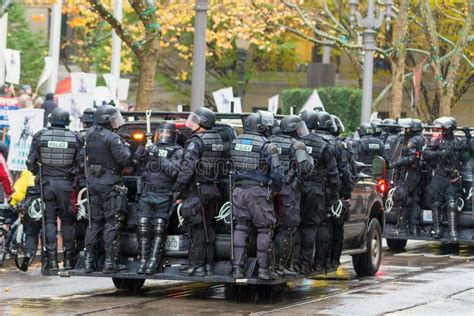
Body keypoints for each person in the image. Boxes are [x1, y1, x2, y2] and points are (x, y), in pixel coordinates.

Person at [26, 108, 83, 271]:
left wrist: (41, 173)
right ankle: (68, 260)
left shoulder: (40, 136)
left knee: (49, 220)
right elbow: (80, 165)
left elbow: (30, 162)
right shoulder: (75, 138)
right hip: (66, 185)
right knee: (67, 222)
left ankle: (51, 262)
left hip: (47, 185)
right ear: (67, 121)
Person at [230, 111, 282, 280]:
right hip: (258, 192)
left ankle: (237, 269)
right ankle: (263, 270)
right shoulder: (267, 145)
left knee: (240, 227)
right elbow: (277, 173)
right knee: (264, 229)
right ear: (261, 127)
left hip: (238, 191)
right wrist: (275, 189)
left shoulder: (235, 141)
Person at [172, 107, 224, 277]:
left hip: (197, 191)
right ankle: (207, 265)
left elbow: (188, 169)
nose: (192, 123)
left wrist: (178, 190)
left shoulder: (195, 141)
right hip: (212, 190)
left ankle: (197, 266)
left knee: (196, 230)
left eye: (196, 120)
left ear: (203, 122)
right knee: (208, 228)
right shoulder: (217, 138)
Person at [83, 105, 131, 273]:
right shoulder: (112, 138)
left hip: (93, 183)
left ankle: (88, 262)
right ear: (106, 120)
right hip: (110, 185)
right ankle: (110, 263)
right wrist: (127, 146)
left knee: (94, 222)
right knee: (112, 223)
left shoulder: (88, 134)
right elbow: (125, 160)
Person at [134, 121, 183, 275]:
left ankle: (154, 261)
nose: (163, 136)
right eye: (161, 133)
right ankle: (142, 261)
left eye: (167, 133)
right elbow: (134, 162)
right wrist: (143, 145)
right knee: (142, 227)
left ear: (173, 135)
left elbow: (174, 171)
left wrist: (157, 155)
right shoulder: (150, 147)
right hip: (147, 193)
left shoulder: (177, 151)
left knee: (159, 228)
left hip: (164, 194)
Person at [269, 115, 313, 276]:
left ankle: (269, 265)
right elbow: (305, 167)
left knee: (268, 229)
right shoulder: (297, 145)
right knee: (287, 229)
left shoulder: (270, 140)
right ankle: (280, 267)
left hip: (270, 191)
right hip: (288, 192)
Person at [297, 110, 339, 273]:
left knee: (294, 226)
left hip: (297, 188)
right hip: (316, 191)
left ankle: (292, 263)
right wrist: (334, 197)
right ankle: (307, 264)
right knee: (311, 226)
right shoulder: (324, 145)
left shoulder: (297, 141)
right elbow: (333, 176)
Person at [422, 117, 466, 241]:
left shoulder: (458, 141)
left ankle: (453, 231)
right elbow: (425, 154)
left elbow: (470, 148)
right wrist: (439, 154)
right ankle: (437, 229)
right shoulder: (436, 141)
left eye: (445, 129)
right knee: (436, 203)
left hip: (452, 177)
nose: (443, 131)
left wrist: (467, 135)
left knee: (452, 204)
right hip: (439, 177)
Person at [391, 119, 425, 236]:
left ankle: (401, 227)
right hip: (417, 174)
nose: (406, 131)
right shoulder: (422, 139)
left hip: (409, 173)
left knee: (402, 197)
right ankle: (413, 228)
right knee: (414, 200)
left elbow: (411, 159)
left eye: (408, 129)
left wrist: (396, 163)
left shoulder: (414, 140)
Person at [329, 114, 353, 268]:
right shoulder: (339, 146)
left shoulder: (306, 140)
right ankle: (332, 261)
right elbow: (345, 171)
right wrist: (347, 192)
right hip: (333, 192)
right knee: (336, 227)